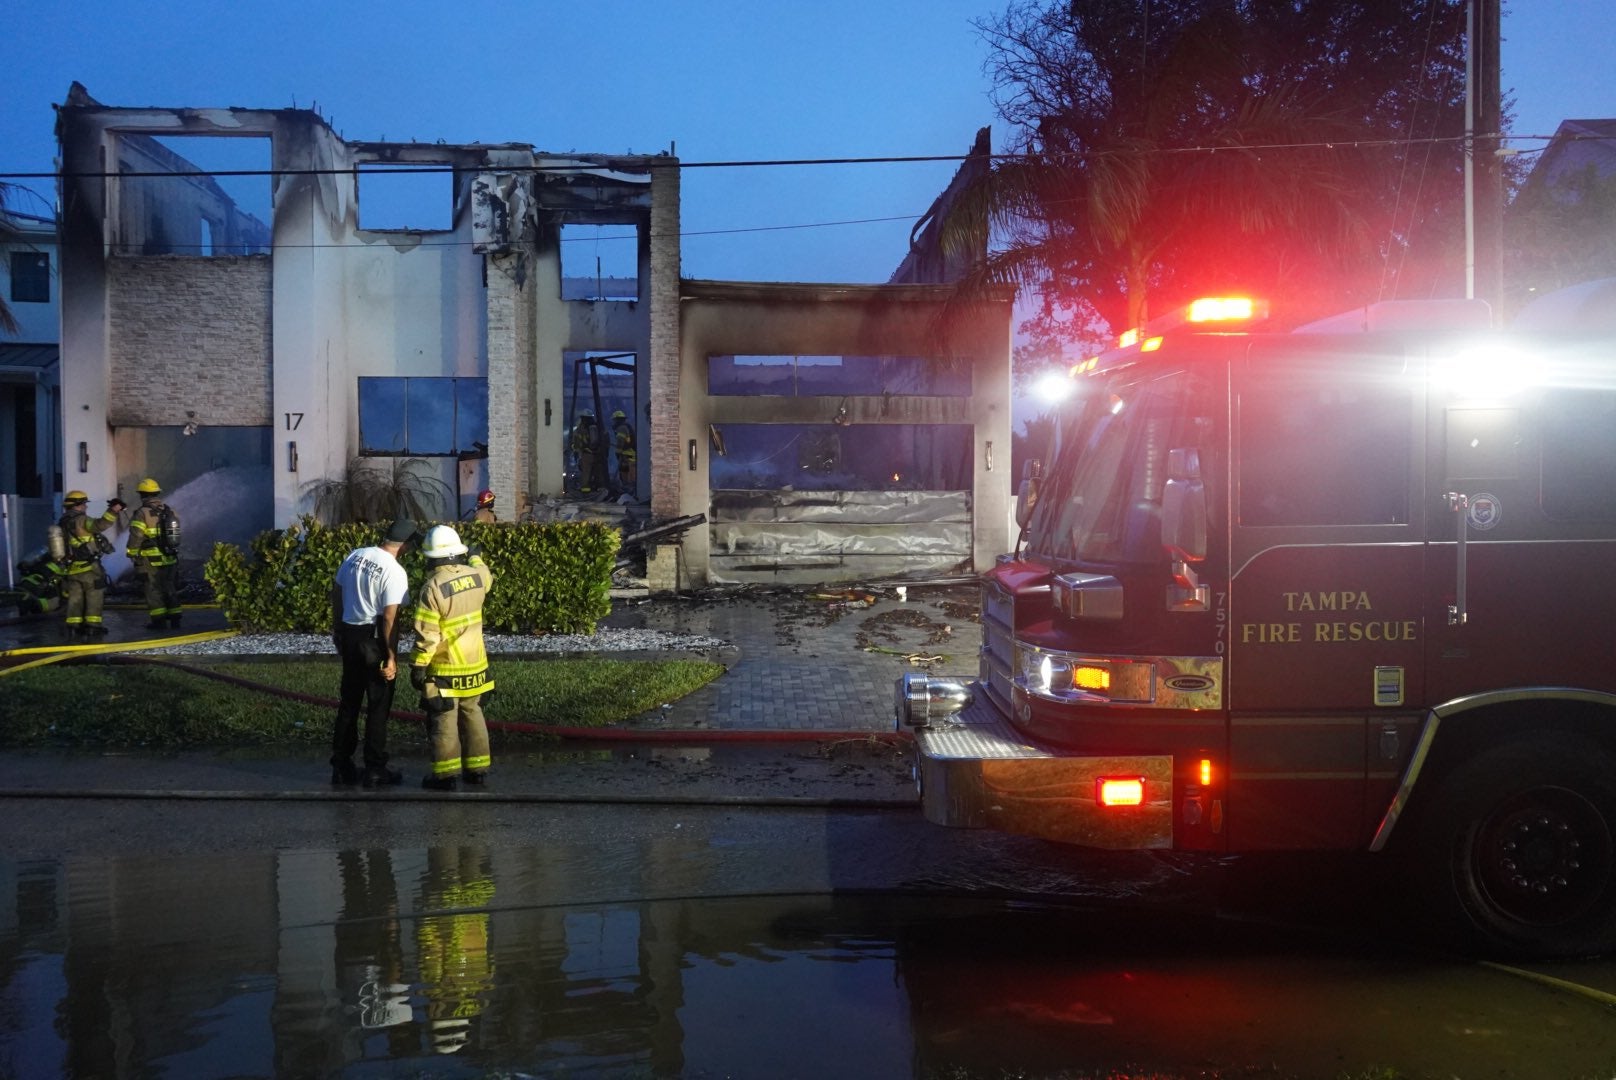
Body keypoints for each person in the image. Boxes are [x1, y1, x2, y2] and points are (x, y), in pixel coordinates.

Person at [329, 519, 418, 788]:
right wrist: (391, 656)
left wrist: (337, 629)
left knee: (349, 701)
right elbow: (390, 618)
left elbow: (337, 591)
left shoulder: (356, 555)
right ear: (405, 545)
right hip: (374, 638)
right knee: (378, 705)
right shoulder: (394, 571)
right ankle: (375, 769)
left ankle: (342, 765)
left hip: (349, 632)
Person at [409, 525, 494, 791]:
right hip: (476, 664)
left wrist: (419, 666)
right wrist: (476, 556)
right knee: (473, 713)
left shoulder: (432, 587)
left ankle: (445, 776)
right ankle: (477, 770)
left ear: (432, 557)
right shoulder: (477, 576)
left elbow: (428, 634)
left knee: (444, 719)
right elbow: (485, 574)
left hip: (446, 668)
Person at [53, 491, 122, 637]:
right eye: (84, 503)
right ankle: (92, 626)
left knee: (75, 598)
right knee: (94, 595)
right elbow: (100, 525)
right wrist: (113, 511)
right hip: (88, 567)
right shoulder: (81, 520)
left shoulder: (63, 521)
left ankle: (73, 626)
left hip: (71, 568)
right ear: (77, 505)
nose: (86, 506)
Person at [126, 477, 182, 630]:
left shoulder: (142, 513)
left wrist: (131, 553)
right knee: (169, 587)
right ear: (157, 493)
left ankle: (159, 622)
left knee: (153, 589)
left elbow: (136, 535)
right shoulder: (170, 510)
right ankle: (175, 619)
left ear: (142, 495)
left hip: (151, 560)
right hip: (170, 557)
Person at [570, 412, 601, 495]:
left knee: (586, 472)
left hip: (586, 454)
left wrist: (576, 451)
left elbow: (576, 443)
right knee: (596, 472)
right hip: (597, 454)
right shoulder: (596, 427)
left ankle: (585, 490)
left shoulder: (580, 429)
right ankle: (596, 488)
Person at [611, 409, 636, 494]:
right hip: (628, 454)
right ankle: (628, 490)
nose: (614, 422)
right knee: (626, 472)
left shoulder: (621, 428)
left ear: (618, 419)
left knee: (628, 475)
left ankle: (630, 491)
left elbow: (620, 442)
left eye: (614, 420)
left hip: (628, 455)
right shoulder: (626, 427)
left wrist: (618, 452)